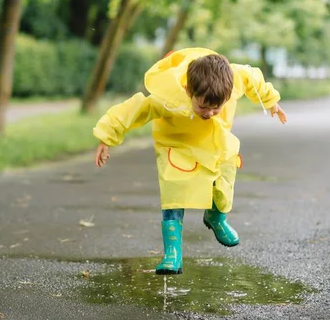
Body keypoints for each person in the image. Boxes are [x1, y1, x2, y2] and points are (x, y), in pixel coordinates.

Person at [92, 47, 287, 275]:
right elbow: (133, 110)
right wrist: (107, 137)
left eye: (217, 108)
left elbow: (253, 78)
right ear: (188, 90)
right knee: (175, 191)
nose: (210, 113)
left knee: (223, 183)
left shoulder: (233, 81)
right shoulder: (169, 99)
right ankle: (172, 253)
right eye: (203, 106)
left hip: (215, 143)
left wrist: (271, 101)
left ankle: (216, 217)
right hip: (178, 147)